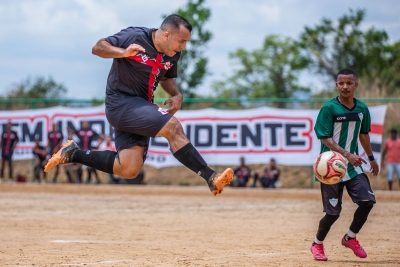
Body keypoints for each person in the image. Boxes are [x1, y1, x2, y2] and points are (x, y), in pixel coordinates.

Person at [44, 14, 233, 195]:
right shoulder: (135, 36)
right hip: (120, 103)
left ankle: (73, 153)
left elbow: (166, 77)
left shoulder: (172, 54)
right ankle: (210, 176)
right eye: (181, 41)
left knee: (128, 168)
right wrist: (123, 52)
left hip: (140, 108)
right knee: (172, 127)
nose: (183, 47)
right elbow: (98, 47)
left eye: (186, 42)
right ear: (166, 34)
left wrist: (176, 94)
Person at [310, 68, 379, 261]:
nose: (345, 86)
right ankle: (317, 244)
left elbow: (363, 134)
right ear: (336, 85)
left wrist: (372, 158)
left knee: (368, 203)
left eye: (349, 83)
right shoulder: (329, 108)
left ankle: (350, 237)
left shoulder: (362, 109)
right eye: (341, 83)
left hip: (353, 167)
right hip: (330, 167)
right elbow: (325, 138)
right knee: (333, 214)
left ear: (356, 85)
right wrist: (348, 154)